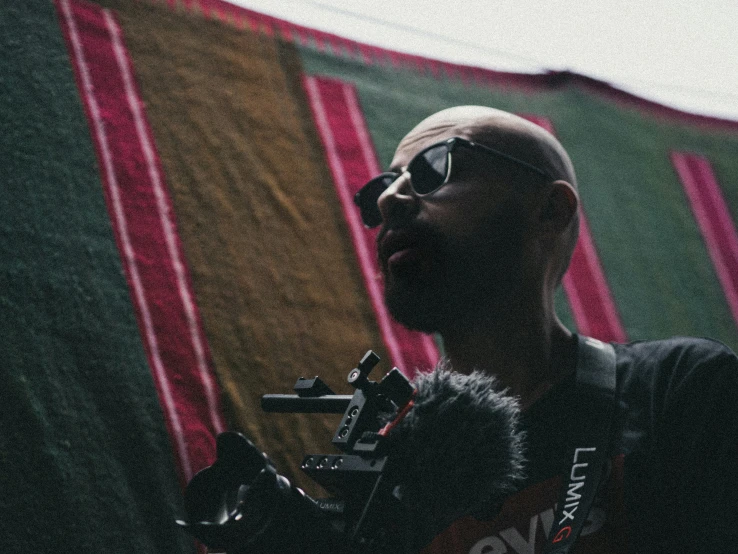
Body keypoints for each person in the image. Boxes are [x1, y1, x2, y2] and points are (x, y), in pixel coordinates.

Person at [352, 106, 738, 553]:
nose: (388, 201)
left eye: (435, 167)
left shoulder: (679, 389)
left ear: (552, 210)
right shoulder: (391, 472)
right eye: (382, 187)